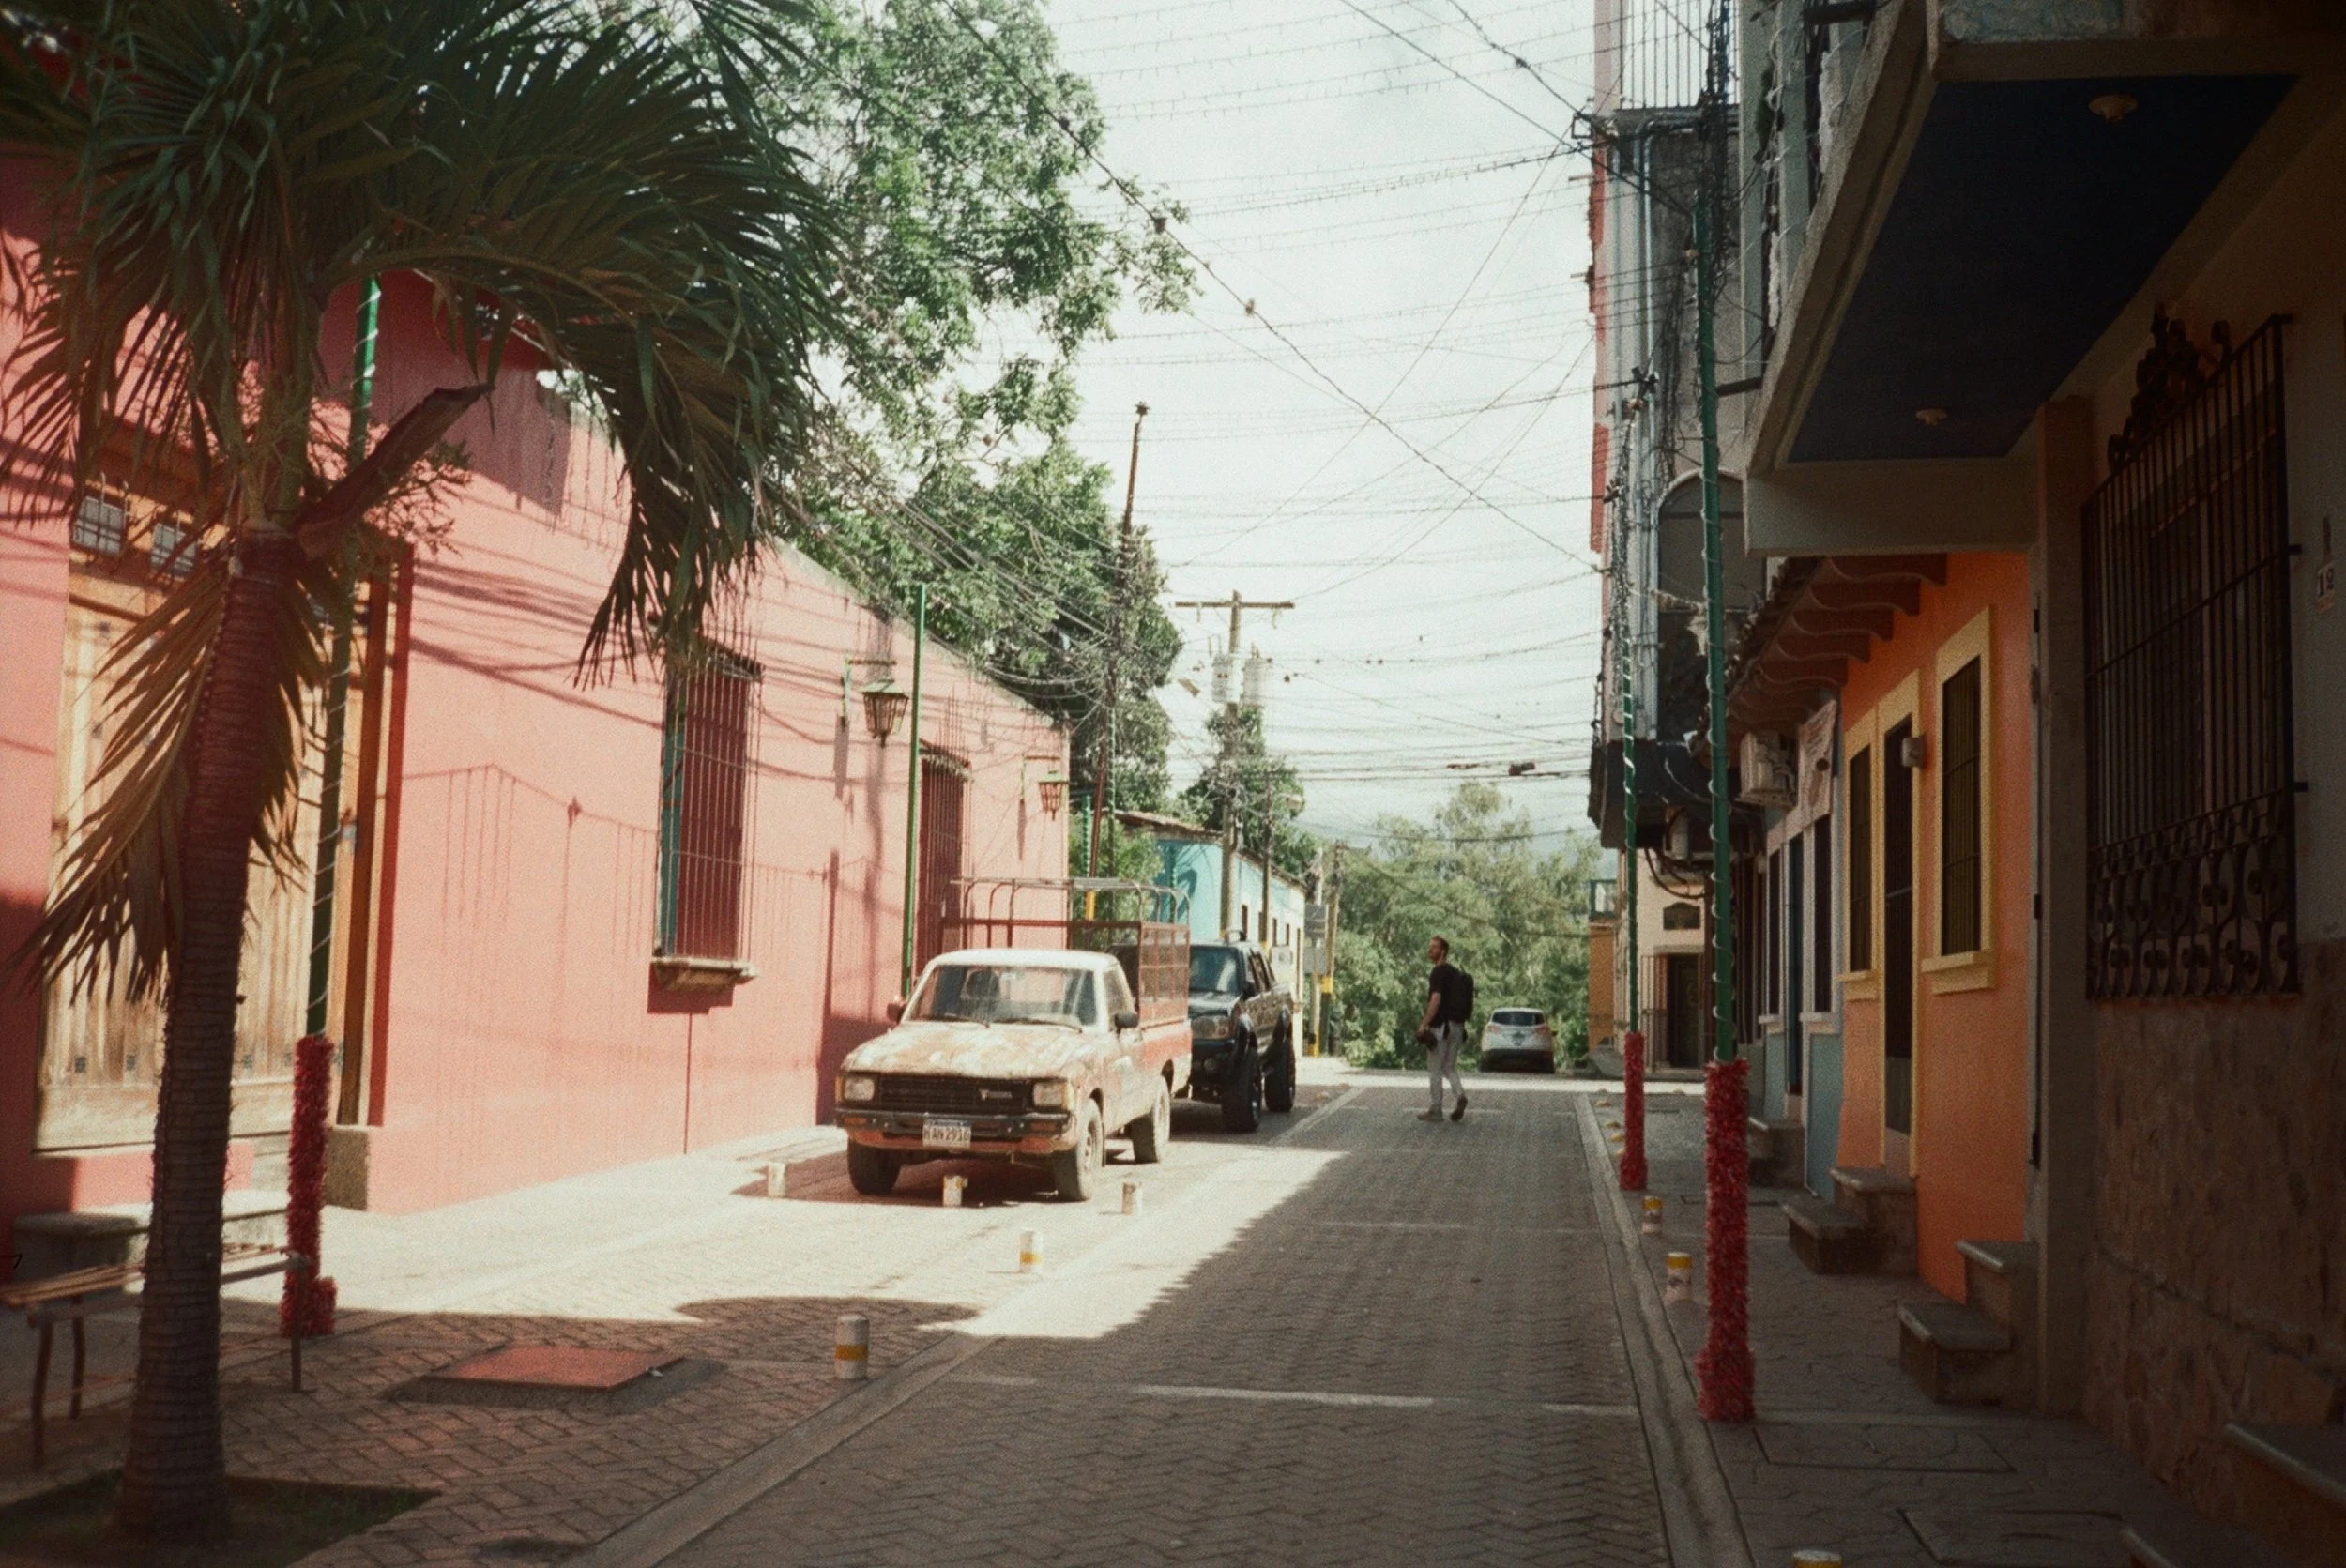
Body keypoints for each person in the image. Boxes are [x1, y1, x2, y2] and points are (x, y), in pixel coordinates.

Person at [1415, 936, 1469, 1122]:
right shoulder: (1456, 974)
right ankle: (1460, 1095)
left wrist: (1424, 1024)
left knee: (1435, 1069)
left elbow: (1435, 1000)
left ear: (1443, 952)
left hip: (1442, 1028)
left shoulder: (1438, 972)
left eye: (1434, 948)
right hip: (1458, 1027)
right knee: (1449, 1067)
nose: (1430, 951)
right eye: (1430, 947)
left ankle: (1436, 1110)